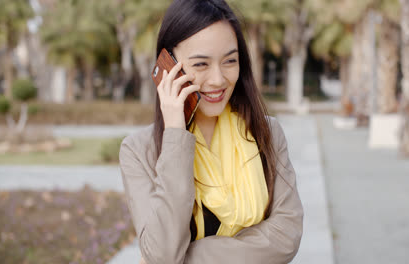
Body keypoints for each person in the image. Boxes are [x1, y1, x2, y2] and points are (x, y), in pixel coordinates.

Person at [119, 0, 303, 263]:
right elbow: (162, 255)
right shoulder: (139, 151)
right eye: (201, 65)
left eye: (229, 61)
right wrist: (175, 135)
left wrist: (191, 258)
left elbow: (287, 236)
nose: (218, 79)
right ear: (169, 66)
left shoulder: (266, 132)